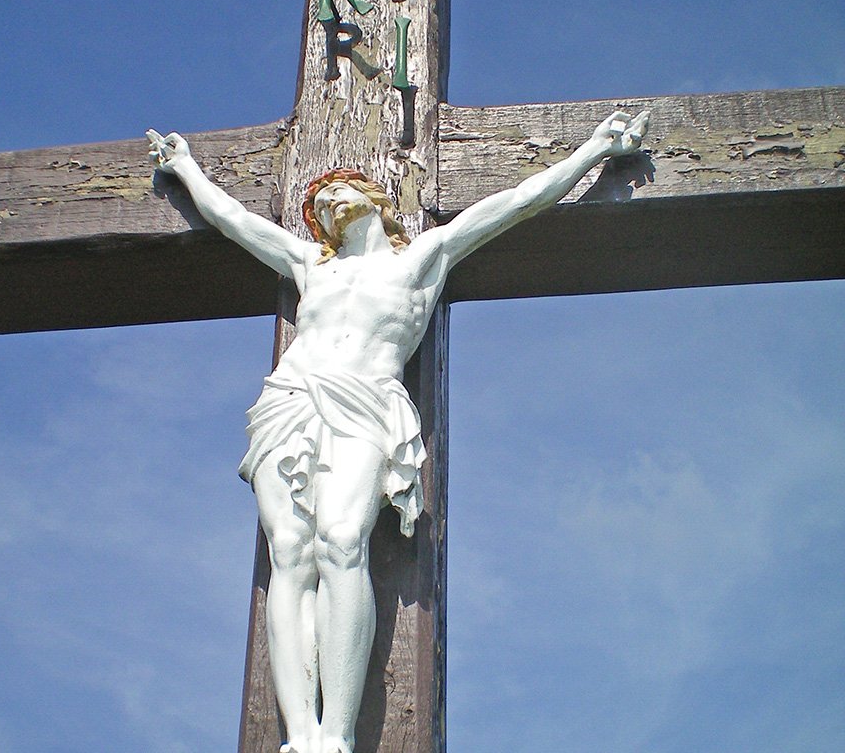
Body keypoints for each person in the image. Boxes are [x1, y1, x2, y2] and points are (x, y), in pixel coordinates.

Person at [147, 109, 649, 753]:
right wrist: (185, 168)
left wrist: (593, 150)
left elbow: (519, 202)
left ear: (378, 204)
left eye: (341, 189)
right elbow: (236, 222)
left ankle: (337, 733)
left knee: (342, 540)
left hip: (366, 401)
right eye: (319, 201)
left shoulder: (424, 259)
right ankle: (299, 737)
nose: (327, 199)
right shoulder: (310, 265)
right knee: (290, 556)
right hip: (292, 399)